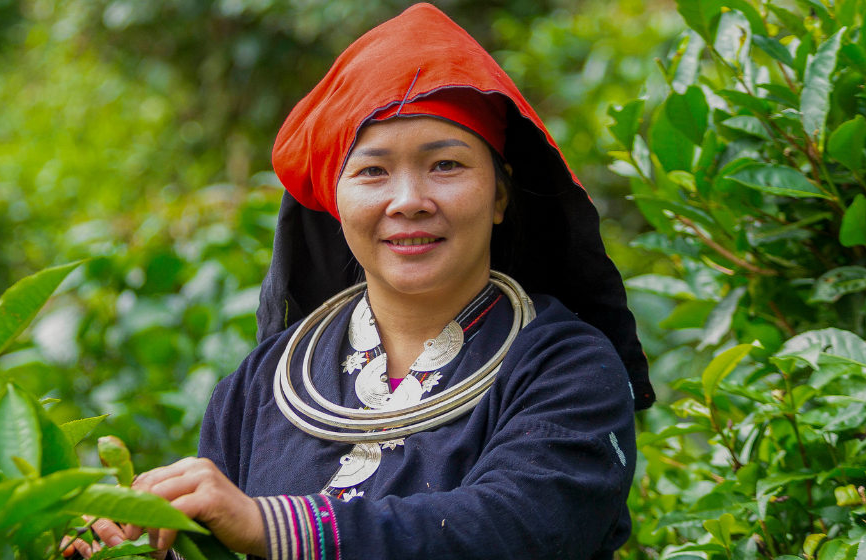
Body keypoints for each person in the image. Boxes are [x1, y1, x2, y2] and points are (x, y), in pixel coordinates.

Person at [63, 3, 652, 558]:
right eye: (372, 171)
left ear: (499, 194)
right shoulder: (260, 387)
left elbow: (513, 529)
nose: (409, 201)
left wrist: (272, 526)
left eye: (446, 164)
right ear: (336, 202)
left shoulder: (569, 368)